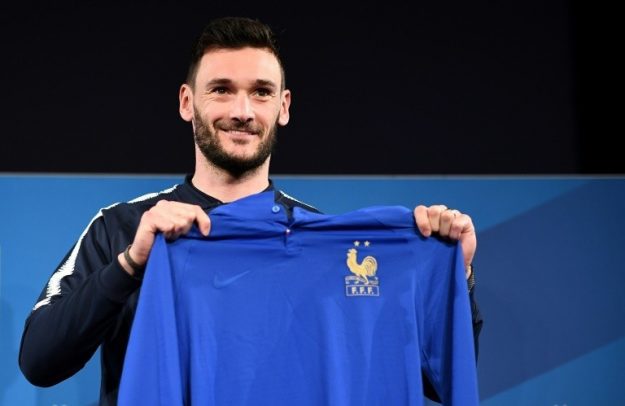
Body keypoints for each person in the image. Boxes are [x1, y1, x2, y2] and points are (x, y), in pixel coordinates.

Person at [19, 16, 482, 405]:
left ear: (283, 108)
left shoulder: (326, 244)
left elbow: (431, 379)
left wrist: (455, 276)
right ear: (187, 102)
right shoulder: (122, 228)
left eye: (261, 92)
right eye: (221, 89)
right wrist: (129, 265)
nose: (242, 110)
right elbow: (39, 361)